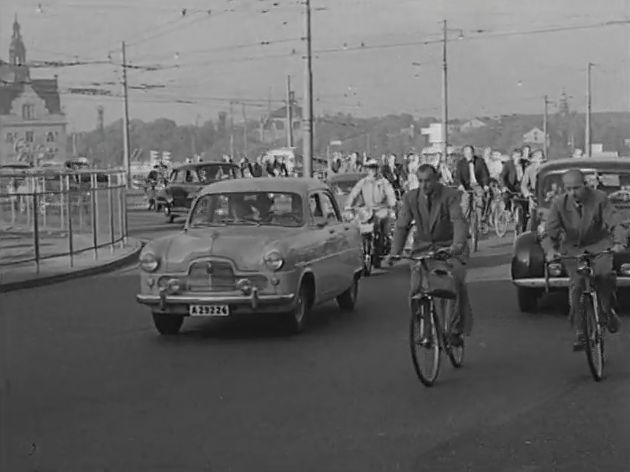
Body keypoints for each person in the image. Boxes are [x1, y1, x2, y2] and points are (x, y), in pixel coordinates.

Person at [542, 169, 626, 350]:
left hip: (599, 245)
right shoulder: (559, 203)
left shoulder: (599, 198)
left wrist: (620, 241)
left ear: (585, 185)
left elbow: (615, 221)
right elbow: (550, 232)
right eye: (569, 189)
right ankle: (581, 332)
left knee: (604, 276)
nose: (573, 192)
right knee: (577, 285)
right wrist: (550, 250)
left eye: (577, 188)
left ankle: (607, 311)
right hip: (573, 248)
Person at [388, 164, 473, 342]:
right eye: (420, 181)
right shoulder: (411, 198)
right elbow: (402, 225)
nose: (424, 185)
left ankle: (455, 330)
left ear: (436, 179)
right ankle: (424, 329)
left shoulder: (449, 196)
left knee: (454, 282)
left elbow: (458, 221)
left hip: (448, 246)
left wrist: (457, 245)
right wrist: (394, 253)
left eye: (427, 181)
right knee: (416, 287)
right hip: (423, 247)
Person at [345, 158, 397, 253]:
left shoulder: (383, 182)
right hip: (367, 210)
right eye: (370, 168)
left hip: (381, 210)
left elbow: (390, 193)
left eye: (374, 167)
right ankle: (363, 246)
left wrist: (392, 203)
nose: (372, 170)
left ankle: (385, 243)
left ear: (378, 169)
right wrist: (348, 206)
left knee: (386, 229)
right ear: (367, 169)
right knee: (357, 226)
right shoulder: (363, 182)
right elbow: (354, 194)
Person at [455, 144, 491, 224]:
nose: (469, 154)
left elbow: (485, 174)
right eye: (467, 153)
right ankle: (465, 224)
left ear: (473, 153)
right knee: (465, 204)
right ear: (464, 154)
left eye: (470, 152)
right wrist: (460, 185)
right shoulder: (461, 163)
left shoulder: (480, 161)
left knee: (480, 200)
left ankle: (479, 221)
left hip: (478, 185)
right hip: (466, 186)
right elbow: (457, 177)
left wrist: (485, 185)